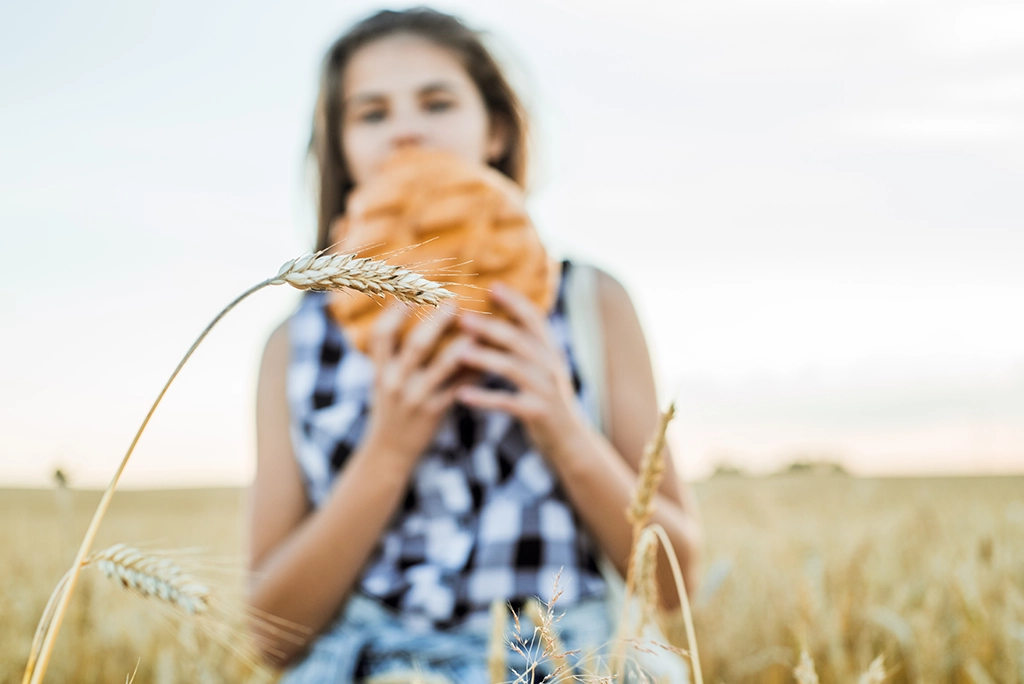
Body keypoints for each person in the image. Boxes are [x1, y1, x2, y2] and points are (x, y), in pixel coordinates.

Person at [247, 8, 703, 682]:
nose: (405, 129)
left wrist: (562, 428)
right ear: (340, 148)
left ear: (493, 129)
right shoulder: (297, 342)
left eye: (437, 102)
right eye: (370, 114)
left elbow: (673, 588)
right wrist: (389, 449)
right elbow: (270, 637)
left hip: (569, 657)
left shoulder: (589, 305)